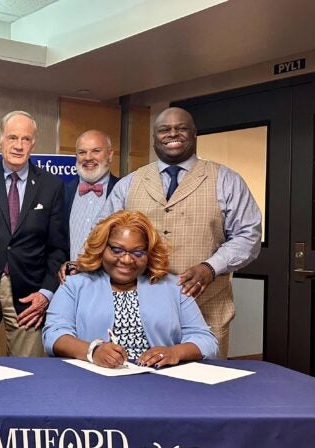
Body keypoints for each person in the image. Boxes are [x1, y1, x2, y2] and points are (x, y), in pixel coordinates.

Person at [99, 107, 261, 358]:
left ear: (194, 134)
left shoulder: (226, 180)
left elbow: (248, 235)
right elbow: (103, 235)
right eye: (164, 129)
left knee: (204, 390)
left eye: (181, 128)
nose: (172, 133)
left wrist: (210, 267)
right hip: (140, 313)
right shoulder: (129, 183)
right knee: (143, 388)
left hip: (207, 308)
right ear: (154, 138)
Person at [0, 110, 68, 357]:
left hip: (30, 294)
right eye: (12, 137)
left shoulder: (52, 186)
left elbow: (58, 246)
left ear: (33, 143)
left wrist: (46, 293)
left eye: (26, 139)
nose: (19, 145)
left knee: (29, 367)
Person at [43, 210, 218, 367]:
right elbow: (53, 334)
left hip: (160, 381)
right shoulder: (75, 285)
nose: (127, 260)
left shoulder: (173, 287)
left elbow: (206, 341)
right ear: (102, 248)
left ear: (149, 254)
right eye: (117, 250)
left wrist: (174, 352)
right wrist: (93, 351)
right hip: (94, 379)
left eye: (138, 252)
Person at [63, 130, 120, 261]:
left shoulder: (123, 191)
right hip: (69, 278)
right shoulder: (62, 192)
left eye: (95, 151)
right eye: (82, 152)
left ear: (110, 155)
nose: (88, 157)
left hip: (108, 278)